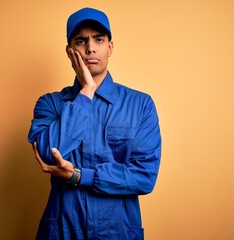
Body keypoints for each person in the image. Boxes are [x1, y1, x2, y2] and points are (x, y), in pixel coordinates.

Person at [28, 7, 162, 240]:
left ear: (110, 47)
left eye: (99, 39)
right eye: (81, 40)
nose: (90, 47)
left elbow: (144, 176)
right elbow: (49, 154)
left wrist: (80, 176)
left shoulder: (141, 105)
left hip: (118, 232)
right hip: (63, 231)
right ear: (70, 51)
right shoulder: (49, 104)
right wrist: (86, 91)